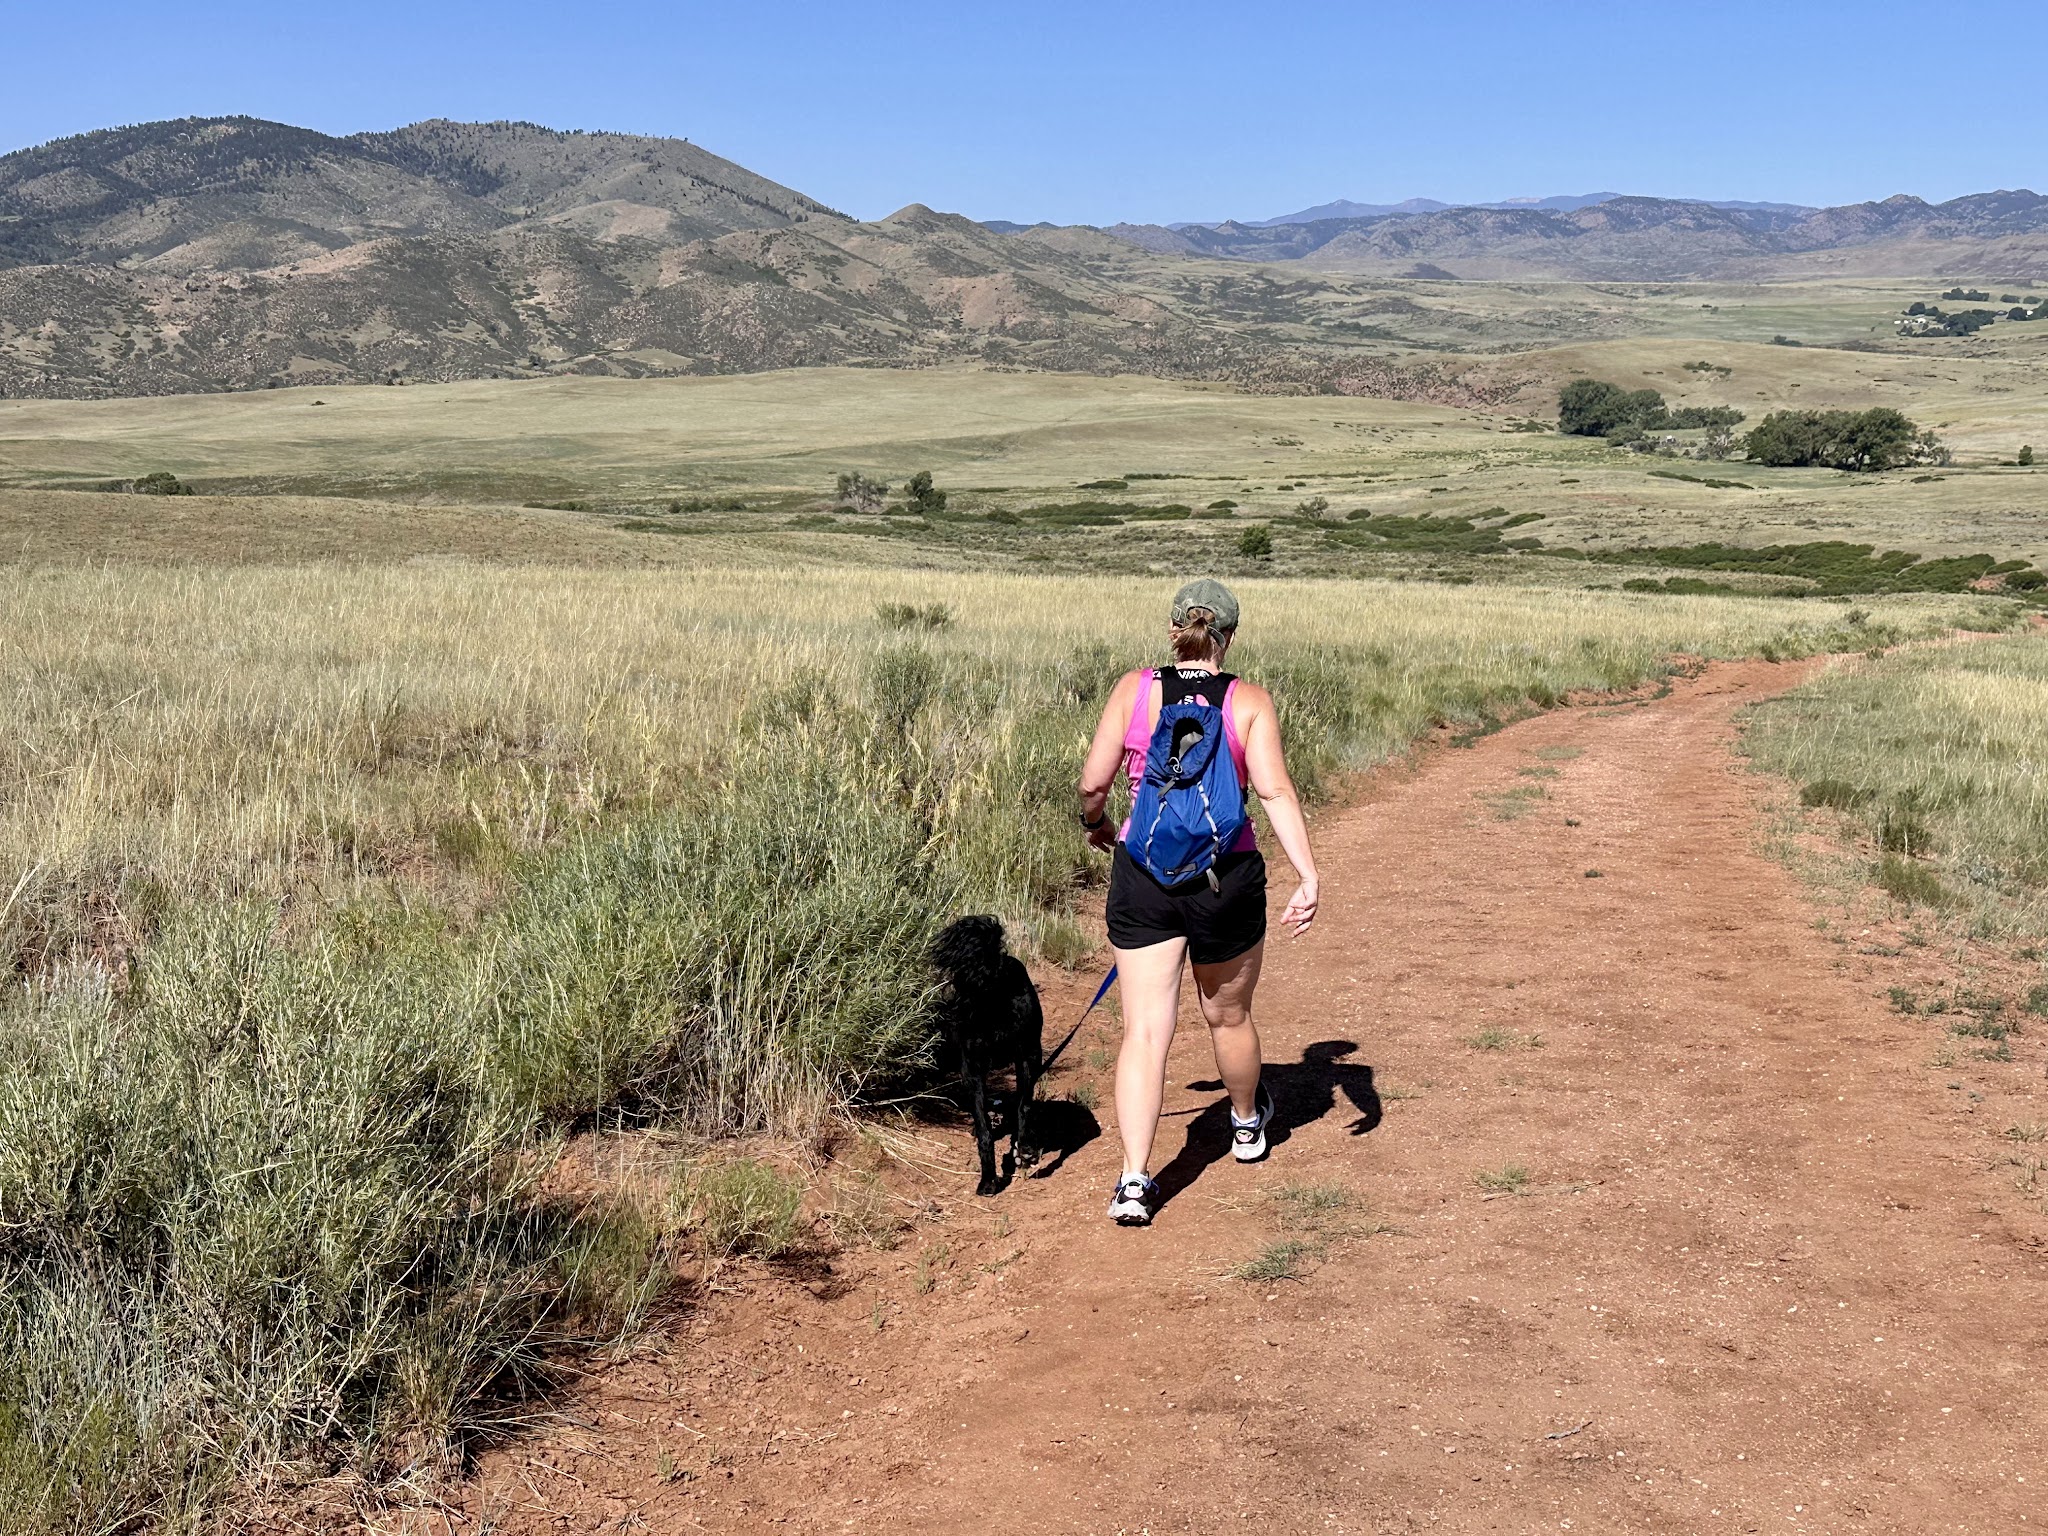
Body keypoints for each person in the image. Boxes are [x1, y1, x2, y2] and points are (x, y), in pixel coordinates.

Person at [1077, 579, 1320, 1226]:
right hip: (1228, 876)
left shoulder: (1134, 689)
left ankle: (1133, 1180)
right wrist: (1308, 875)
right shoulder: (1250, 702)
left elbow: (1093, 782)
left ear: (1173, 630)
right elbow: (1273, 792)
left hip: (1144, 874)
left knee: (1146, 1031)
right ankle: (1245, 1125)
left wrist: (1095, 824)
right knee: (1229, 1018)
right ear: (1229, 637)